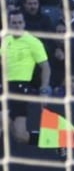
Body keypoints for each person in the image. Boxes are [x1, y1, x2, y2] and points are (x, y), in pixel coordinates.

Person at [1, 12, 53, 147]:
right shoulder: (5, 41)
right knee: (18, 135)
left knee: (20, 136)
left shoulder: (33, 42)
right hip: (4, 86)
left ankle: (53, 140)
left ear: (24, 24)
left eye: (20, 23)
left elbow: (46, 67)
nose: (17, 26)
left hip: (20, 88)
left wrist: (44, 89)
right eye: (14, 23)